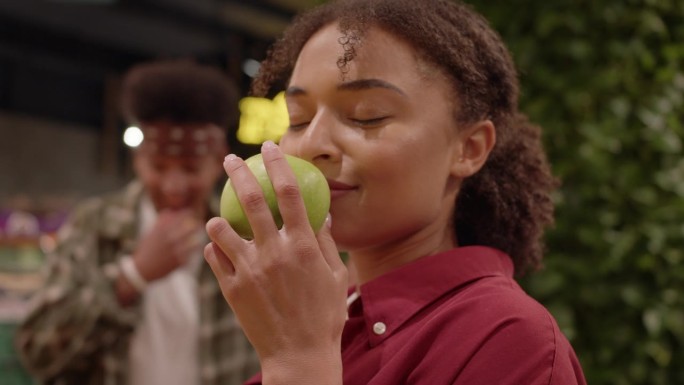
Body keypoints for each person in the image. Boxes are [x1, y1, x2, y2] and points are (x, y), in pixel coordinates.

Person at [203, 0, 588, 384]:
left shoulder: (510, 340)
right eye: (298, 119)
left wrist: (299, 361)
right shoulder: (323, 323)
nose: (311, 144)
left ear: (468, 148)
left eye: (367, 115)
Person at [15, 60, 260, 385]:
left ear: (219, 160)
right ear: (138, 160)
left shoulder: (244, 232)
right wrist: (132, 276)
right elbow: (38, 353)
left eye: (190, 168)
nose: (174, 185)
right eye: (159, 167)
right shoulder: (94, 225)